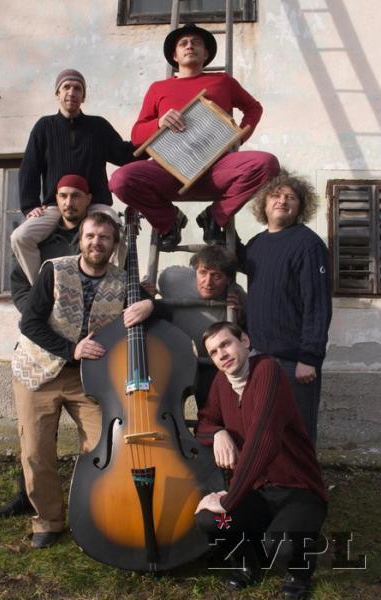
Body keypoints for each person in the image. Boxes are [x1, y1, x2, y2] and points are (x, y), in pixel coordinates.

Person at [10, 212, 164, 549]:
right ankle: (48, 521)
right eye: (90, 236)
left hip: (87, 380)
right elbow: (30, 323)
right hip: (37, 371)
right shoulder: (54, 269)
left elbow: (154, 310)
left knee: (103, 447)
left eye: (104, 237)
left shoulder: (123, 282)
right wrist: (72, 349)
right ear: (79, 240)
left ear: (114, 244)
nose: (97, 242)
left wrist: (150, 305)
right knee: (36, 452)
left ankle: (94, 512)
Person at [110, 23, 279, 251]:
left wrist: (238, 138)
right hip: (169, 172)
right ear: (175, 55)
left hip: (216, 171)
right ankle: (169, 221)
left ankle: (214, 217)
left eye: (196, 43)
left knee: (267, 164)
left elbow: (253, 108)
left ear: (206, 53)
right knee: (120, 180)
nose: (190, 46)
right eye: (183, 43)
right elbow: (137, 136)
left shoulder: (223, 81)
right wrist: (159, 123)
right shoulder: (158, 88)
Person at [194, 322, 328, 599]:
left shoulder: (267, 371)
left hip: (298, 489)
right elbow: (204, 422)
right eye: (214, 351)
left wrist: (229, 499)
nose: (221, 354)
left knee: (283, 544)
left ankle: (299, 572)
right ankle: (248, 560)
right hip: (256, 491)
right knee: (211, 520)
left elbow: (262, 441)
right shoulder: (222, 382)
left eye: (226, 344)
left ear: (244, 341)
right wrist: (218, 433)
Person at [0, 174, 93, 519]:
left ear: (87, 199)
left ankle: (92, 503)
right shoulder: (38, 240)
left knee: (97, 438)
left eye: (76, 196)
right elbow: (20, 285)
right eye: (63, 196)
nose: (69, 203)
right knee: (34, 437)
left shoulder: (97, 238)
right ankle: (29, 498)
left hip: (84, 361)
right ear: (56, 200)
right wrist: (40, 313)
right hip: (40, 351)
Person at [11, 68, 137, 284]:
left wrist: (155, 137)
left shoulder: (98, 127)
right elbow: (30, 167)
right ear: (57, 94)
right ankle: (42, 288)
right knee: (20, 237)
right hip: (55, 205)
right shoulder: (44, 127)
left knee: (118, 233)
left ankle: (110, 287)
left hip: (95, 204)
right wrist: (30, 205)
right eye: (66, 87)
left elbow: (124, 154)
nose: (72, 92)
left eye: (78, 88)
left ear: (83, 96)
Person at [237, 170, 332, 444]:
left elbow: (318, 305)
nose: (282, 201)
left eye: (291, 197)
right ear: (264, 204)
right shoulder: (256, 245)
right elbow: (239, 267)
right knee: (263, 435)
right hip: (257, 357)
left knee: (297, 435)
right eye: (276, 195)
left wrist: (309, 358)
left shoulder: (308, 245)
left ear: (301, 207)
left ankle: (304, 476)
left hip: (294, 362)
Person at [145, 245, 246, 408]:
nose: (208, 282)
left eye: (217, 276)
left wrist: (239, 317)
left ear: (229, 279)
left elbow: (245, 339)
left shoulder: (236, 296)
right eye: (203, 273)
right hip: (173, 359)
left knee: (212, 405)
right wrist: (145, 293)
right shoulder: (172, 279)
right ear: (195, 270)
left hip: (210, 364)